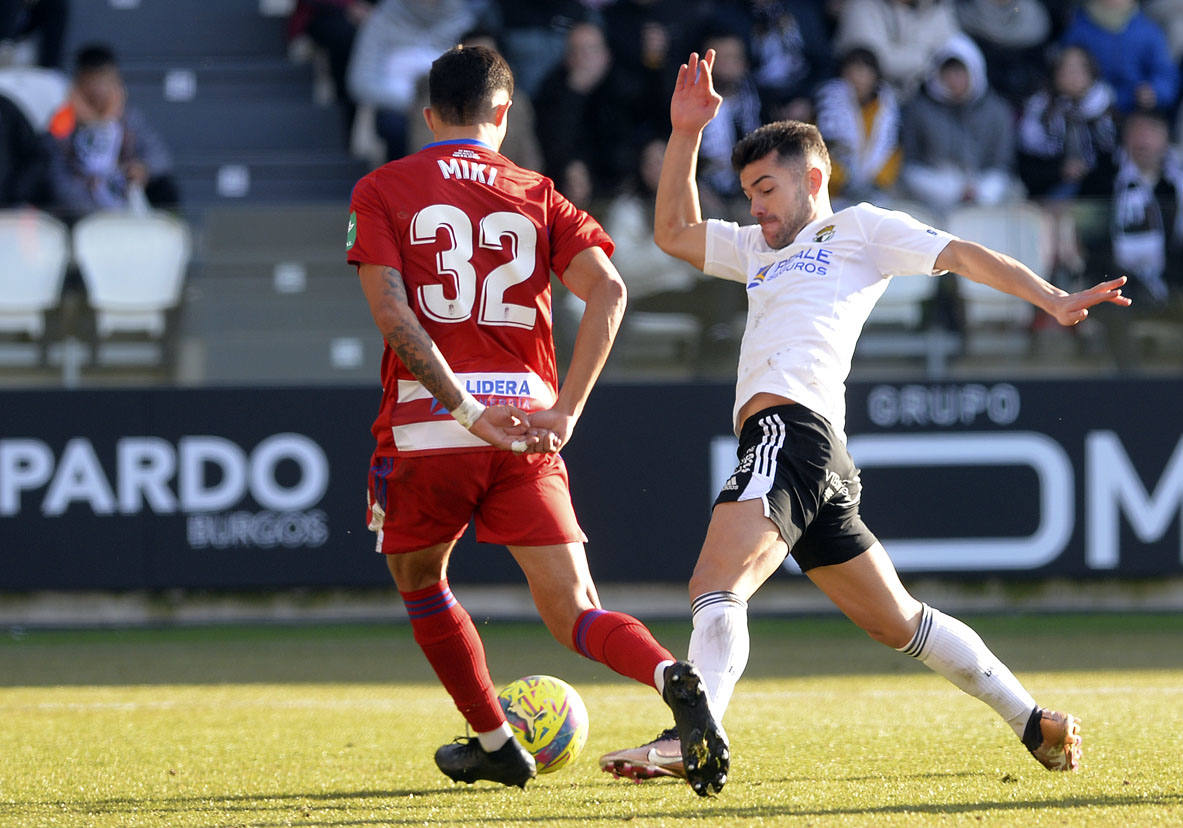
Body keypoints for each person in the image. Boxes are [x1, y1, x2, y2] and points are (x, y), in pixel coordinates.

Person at [598, 48, 1130, 782]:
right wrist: (686, 132)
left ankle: (690, 735)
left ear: (812, 179)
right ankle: (1030, 719)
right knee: (898, 623)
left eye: (765, 189)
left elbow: (962, 253)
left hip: (792, 429)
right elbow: (673, 233)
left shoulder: (860, 229)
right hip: (816, 451)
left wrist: (1050, 298)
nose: (754, 207)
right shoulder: (757, 246)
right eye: (748, 191)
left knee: (715, 585)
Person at [345, 44, 728, 796]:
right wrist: (567, 411)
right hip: (527, 429)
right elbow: (611, 291)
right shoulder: (537, 192)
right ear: (503, 113)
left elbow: (392, 313)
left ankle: (493, 738)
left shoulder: (383, 186)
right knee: (575, 610)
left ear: (429, 116)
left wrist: (462, 409)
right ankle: (666, 672)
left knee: (420, 577)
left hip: (430, 429)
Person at [45, 43, 179, 217]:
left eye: (105, 80)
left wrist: (143, 169)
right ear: (79, 82)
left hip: (122, 193)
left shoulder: (129, 118)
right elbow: (54, 171)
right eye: (93, 81)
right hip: (81, 202)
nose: (99, 89)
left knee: (166, 189)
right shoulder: (64, 118)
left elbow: (160, 156)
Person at [899, 34, 1020, 213]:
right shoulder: (919, 109)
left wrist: (979, 190)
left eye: (960, 72)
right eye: (948, 73)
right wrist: (952, 189)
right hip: (936, 185)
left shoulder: (997, 111)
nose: (954, 80)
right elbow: (911, 163)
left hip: (984, 184)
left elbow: (1002, 162)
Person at [813, 46, 902, 206]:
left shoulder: (887, 109)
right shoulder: (826, 106)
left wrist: (879, 182)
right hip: (832, 195)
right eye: (852, 71)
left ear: (875, 76)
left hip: (873, 192)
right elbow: (818, 151)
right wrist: (841, 182)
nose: (857, 78)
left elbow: (892, 151)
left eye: (863, 72)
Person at [1060, 0, 1178, 116]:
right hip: (1089, 109)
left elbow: (1166, 75)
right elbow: (1065, 70)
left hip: (1136, 110)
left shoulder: (1148, 31)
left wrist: (1155, 91)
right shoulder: (1078, 29)